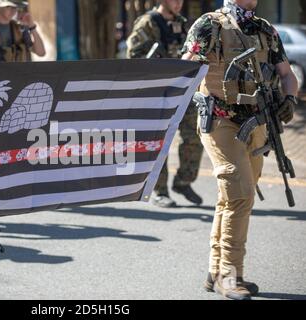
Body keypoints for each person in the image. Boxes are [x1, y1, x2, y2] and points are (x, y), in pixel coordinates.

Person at [182, 0, 298, 300]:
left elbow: (287, 74)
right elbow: (186, 69)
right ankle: (229, 276)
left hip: (257, 121)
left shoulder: (264, 29)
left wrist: (290, 99)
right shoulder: (209, 24)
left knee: (232, 197)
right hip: (220, 120)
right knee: (240, 192)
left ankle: (215, 269)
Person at [126, 0, 204, 208]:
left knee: (194, 137)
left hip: (185, 91)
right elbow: (133, 57)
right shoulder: (148, 23)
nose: (178, 4)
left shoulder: (185, 24)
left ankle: (183, 181)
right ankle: (159, 190)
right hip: (158, 94)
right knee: (159, 144)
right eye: (174, 0)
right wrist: (155, 61)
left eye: (181, 0)